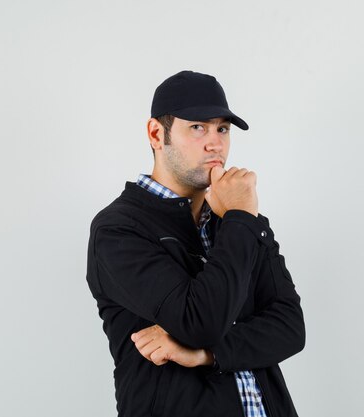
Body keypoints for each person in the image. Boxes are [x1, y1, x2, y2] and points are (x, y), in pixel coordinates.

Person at [86, 70, 305, 417]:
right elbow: (200, 321)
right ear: (157, 134)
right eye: (197, 128)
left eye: (222, 128)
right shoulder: (119, 230)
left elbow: (290, 328)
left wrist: (206, 354)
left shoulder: (236, 218)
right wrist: (240, 219)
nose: (215, 143)